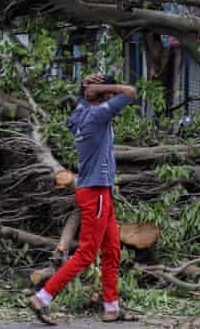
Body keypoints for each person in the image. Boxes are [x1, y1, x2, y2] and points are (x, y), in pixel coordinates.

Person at [28, 74, 136, 325]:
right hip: (95, 192)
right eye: (107, 94)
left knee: (112, 250)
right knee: (87, 253)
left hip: (99, 191)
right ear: (104, 96)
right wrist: (102, 87)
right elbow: (130, 91)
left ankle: (111, 308)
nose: (111, 97)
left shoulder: (80, 113)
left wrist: (85, 90)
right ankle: (42, 297)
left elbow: (83, 101)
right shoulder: (98, 115)